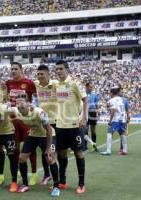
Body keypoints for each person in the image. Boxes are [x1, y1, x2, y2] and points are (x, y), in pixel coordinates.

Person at [15, 93, 60, 196]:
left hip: (47, 135)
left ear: (28, 103)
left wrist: (48, 148)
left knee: (50, 159)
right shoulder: (17, 111)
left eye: (21, 103)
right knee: (22, 158)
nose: (19, 105)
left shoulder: (39, 112)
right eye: (17, 103)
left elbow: (48, 130)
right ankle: (25, 184)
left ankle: (56, 186)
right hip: (33, 135)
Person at [55, 60, 88, 194]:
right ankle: (62, 181)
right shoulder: (56, 84)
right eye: (56, 69)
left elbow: (85, 99)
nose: (58, 71)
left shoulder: (74, 83)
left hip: (74, 125)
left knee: (78, 153)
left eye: (61, 69)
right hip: (60, 125)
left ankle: (81, 184)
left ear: (67, 69)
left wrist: (84, 117)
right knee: (61, 153)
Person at [5, 62, 38, 185]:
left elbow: (35, 98)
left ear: (21, 70)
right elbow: (7, 99)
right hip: (13, 120)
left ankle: (34, 173)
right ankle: (19, 169)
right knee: (15, 147)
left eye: (15, 69)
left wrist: (33, 109)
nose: (13, 71)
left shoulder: (29, 83)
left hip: (26, 120)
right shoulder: (8, 83)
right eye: (12, 69)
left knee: (30, 147)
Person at [33, 64, 58, 186]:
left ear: (48, 74)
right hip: (43, 122)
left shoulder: (56, 84)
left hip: (57, 122)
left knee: (55, 152)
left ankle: (58, 180)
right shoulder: (36, 84)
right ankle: (47, 175)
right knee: (45, 150)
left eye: (42, 74)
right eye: (38, 74)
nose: (39, 76)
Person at [101, 88, 128, 155]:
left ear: (112, 93)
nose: (109, 94)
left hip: (116, 120)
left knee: (109, 133)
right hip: (123, 119)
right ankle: (124, 150)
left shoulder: (112, 100)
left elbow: (113, 110)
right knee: (122, 134)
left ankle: (108, 150)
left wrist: (110, 120)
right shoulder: (122, 99)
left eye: (110, 93)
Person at [84, 82, 99, 152]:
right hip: (85, 113)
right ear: (86, 87)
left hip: (93, 113)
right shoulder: (83, 94)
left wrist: (98, 113)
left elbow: (97, 105)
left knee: (93, 130)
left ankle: (94, 145)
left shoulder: (94, 95)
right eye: (90, 87)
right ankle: (85, 147)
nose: (91, 88)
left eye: (92, 87)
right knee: (85, 130)